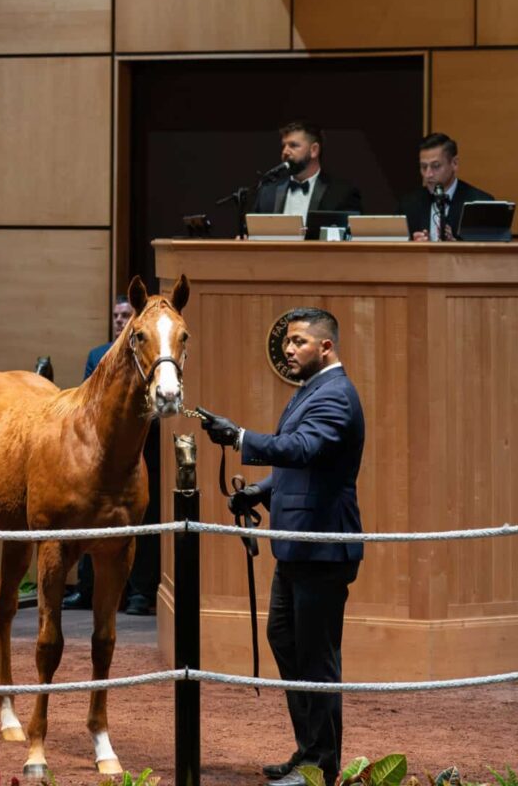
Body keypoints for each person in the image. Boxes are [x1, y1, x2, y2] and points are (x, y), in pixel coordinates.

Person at [196, 308, 364, 786]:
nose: (288, 351)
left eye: (298, 342)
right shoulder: (311, 391)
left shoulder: (335, 396)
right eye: (287, 342)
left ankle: (319, 767)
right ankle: (308, 751)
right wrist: (260, 491)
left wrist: (241, 437)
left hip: (321, 548)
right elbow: (297, 465)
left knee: (317, 660)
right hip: (294, 547)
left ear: (325, 347)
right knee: (287, 642)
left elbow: (305, 449)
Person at [63, 295, 139, 612]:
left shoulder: (144, 352)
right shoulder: (97, 354)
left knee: (133, 525)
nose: (120, 321)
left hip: (132, 447)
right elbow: (84, 398)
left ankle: (138, 592)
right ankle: (86, 588)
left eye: (126, 315)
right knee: (85, 516)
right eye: (116, 316)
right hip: (94, 449)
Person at [254, 120, 362, 221]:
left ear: (314, 150)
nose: (285, 151)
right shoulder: (267, 192)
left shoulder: (342, 194)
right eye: (284, 146)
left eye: (293, 145)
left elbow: (352, 237)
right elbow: (254, 235)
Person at [399, 132, 493, 241]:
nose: (428, 174)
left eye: (436, 166)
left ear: (454, 163)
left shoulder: (481, 203)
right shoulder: (408, 204)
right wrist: (415, 247)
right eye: (424, 167)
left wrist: (456, 246)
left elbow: (490, 254)